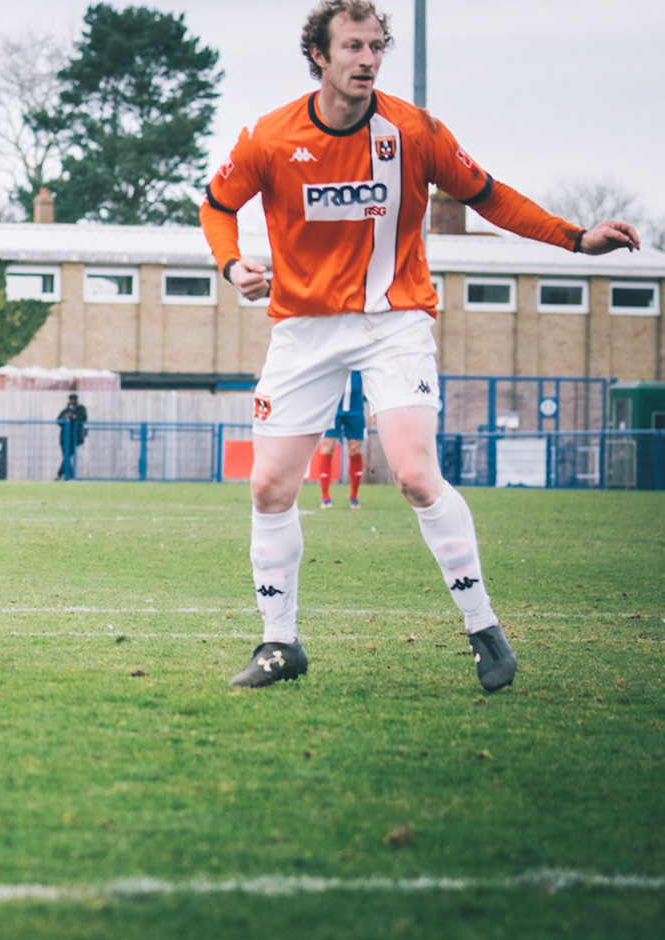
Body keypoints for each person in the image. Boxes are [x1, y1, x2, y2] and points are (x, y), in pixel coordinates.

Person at [201, 0, 641, 690]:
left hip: (393, 320)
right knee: (268, 486)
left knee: (412, 471)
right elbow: (217, 202)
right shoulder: (270, 137)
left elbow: (486, 193)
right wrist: (231, 265)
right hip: (304, 325)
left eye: (376, 46)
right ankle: (279, 645)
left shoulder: (413, 130)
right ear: (318, 54)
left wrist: (573, 237)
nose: (368, 59)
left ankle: (484, 628)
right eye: (352, 46)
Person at [316, 370, 366, 508]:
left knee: (355, 449)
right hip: (333, 409)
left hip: (355, 410)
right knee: (327, 447)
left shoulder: (360, 363)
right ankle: (325, 496)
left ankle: (354, 497)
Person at [55, 393, 87, 481]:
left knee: (67, 456)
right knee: (66, 456)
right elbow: (58, 420)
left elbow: (83, 418)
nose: (72, 401)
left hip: (74, 436)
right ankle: (69, 474)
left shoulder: (80, 409)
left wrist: (73, 417)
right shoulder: (65, 410)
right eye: (71, 399)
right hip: (64, 436)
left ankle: (61, 474)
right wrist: (65, 418)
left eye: (74, 399)